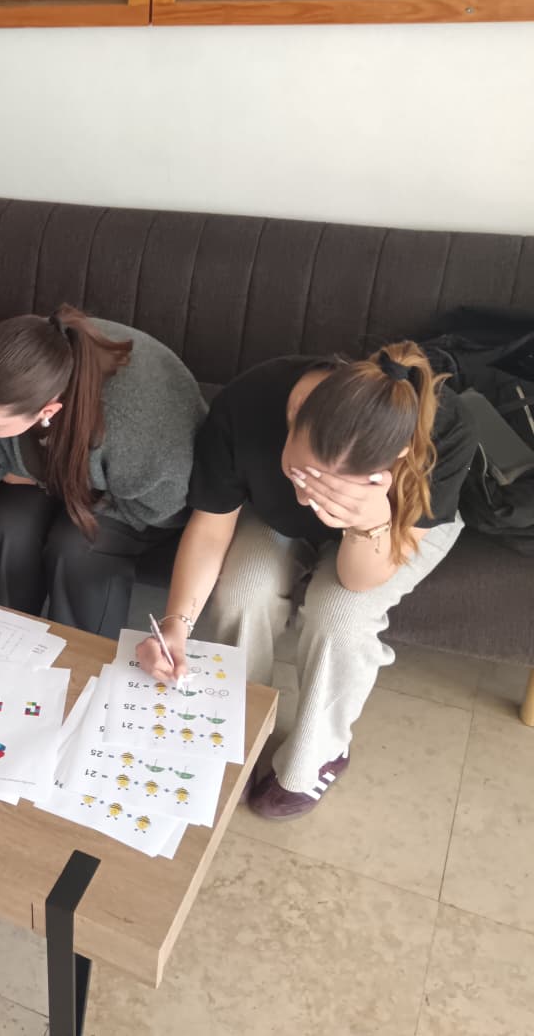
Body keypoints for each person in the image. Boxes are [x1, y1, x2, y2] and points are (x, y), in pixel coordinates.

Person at [136, 342, 475, 819]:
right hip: (272, 516)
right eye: (301, 475)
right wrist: (177, 623)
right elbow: (211, 524)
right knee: (243, 592)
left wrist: (368, 520)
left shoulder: (446, 430)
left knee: (341, 617)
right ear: (294, 414)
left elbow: (358, 581)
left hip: (390, 528)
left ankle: (319, 754)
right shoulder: (250, 402)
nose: (307, 499)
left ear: (395, 459)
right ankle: (236, 726)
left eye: (333, 487)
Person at [0, 308, 206, 638]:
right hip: (46, 471)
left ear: (47, 411)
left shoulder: (133, 425)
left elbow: (163, 508)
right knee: (6, 524)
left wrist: (59, 484)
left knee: (77, 548)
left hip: (136, 499)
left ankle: (82, 655)